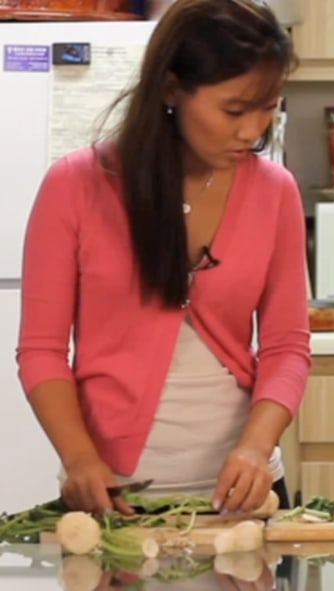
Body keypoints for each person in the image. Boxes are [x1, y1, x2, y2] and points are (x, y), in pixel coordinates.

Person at [16, 0, 311, 516]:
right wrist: (80, 458)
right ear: (172, 89)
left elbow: (287, 347)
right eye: (235, 109)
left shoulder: (276, 192)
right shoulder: (76, 186)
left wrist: (256, 447)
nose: (253, 131)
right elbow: (41, 350)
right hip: (115, 498)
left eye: (270, 107)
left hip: (244, 500)